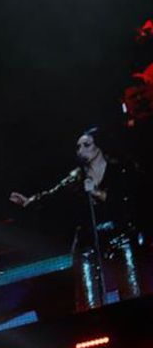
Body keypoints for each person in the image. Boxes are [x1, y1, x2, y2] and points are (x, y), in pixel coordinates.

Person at [9, 127, 142, 310]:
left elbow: (125, 200)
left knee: (131, 286)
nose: (81, 150)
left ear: (98, 147)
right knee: (88, 293)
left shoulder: (119, 169)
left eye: (86, 145)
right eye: (78, 147)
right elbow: (53, 194)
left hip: (119, 233)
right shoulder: (77, 176)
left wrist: (96, 192)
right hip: (89, 236)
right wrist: (28, 201)